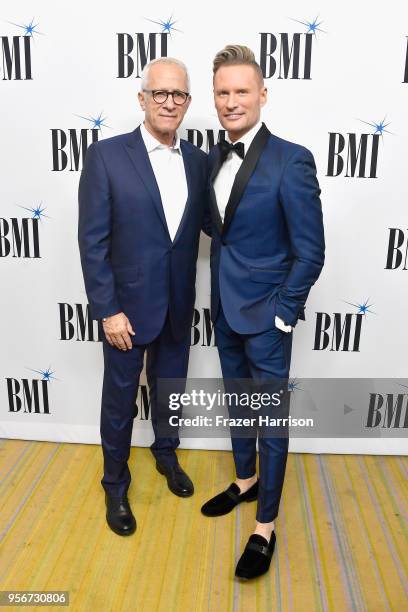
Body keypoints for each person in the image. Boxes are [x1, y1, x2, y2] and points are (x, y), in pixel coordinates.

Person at [201, 45, 325, 579]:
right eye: (223, 92)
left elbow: (311, 249)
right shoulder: (213, 156)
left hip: (268, 315)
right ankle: (246, 480)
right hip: (225, 308)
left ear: (262, 95)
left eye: (241, 91)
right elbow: (220, 229)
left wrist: (284, 312)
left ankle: (266, 525)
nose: (231, 102)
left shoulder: (291, 158)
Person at [78, 57, 208, 536]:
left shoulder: (198, 160)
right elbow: (91, 242)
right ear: (142, 99)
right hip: (126, 311)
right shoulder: (107, 156)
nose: (169, 102)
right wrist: (108, 310)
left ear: (188, 102)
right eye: (160, 94)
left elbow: (209, 226)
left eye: (178, 95)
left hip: (177, 303)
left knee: (170, 392)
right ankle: (115, 481)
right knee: (119, 400)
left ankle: (166, 456)